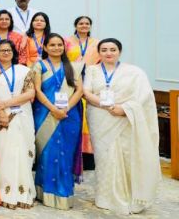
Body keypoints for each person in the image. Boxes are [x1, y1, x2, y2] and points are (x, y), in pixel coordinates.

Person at [83, 38, 160, 215]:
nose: (108, 53)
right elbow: (86, 92)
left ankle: (128, 195)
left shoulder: (134, 72)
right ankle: (104, 196)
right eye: (104, 49)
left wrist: (123, 109)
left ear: (119, 51)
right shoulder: (92, 70)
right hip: (99, 117)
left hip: (123, 117)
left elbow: (143, 97)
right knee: (103, 157)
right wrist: (108, 106)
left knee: (125, 155)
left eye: (112, 49)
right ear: (99, 52)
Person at [32, 33, 84, 210]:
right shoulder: (39, 66)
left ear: (64, 47)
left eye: (59, 45)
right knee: (47, 153)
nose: (56, 48)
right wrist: (53, 109)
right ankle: (44, 192)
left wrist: (66, 108)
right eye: (52, 45)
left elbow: (79, 90)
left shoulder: (72, 67)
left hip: (69, 116)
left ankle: (63, 194)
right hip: (45, 114)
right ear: (45, 47)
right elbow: (37, 91)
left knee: (65, 154)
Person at [0, 40, 36, 209]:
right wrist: (1, 112)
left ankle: (22, 192)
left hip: (21, 114)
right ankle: (1, 191)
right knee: (1, 151)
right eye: (2, 50)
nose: (6, 53)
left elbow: (30, 92)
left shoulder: (24, 70)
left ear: (14, 53)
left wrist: (6, 104)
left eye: (9, 50)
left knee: (21, 149)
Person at [66, 16, 100, 156]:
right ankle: (74, 149)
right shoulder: (66, 41)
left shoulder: (97, 43)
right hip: (72, 79)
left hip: (91, 79)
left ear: (90, 26)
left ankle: (88, 151)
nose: (84, 26)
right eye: (81, 23)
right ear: (75, 25)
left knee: (89, 112)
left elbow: (100, 61)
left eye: (87, 24)